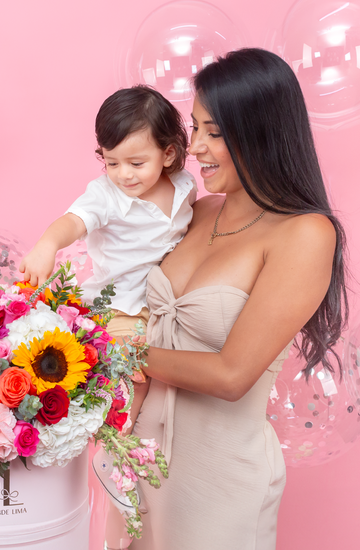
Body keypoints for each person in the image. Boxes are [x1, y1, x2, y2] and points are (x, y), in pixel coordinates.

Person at [127, 48, 348, 550]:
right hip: (138, 460)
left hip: (218, 480)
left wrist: (117, 353)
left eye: (215, 132)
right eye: (195, 128)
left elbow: (231, 375)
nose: (196, 148)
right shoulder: (196, 212)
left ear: (261, 131)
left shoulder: (305, 233)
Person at [19, 85, 197, 431]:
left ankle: (143, 432)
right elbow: (74, 221)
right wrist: (47, 245)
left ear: (168, 154)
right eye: (111, 162)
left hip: (167, 304)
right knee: (132, 373)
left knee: (171, 379)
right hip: (123, 306)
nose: (123, 174)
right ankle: (120, 438)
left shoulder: (184, 185)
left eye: (136, 163)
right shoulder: (105, 194)